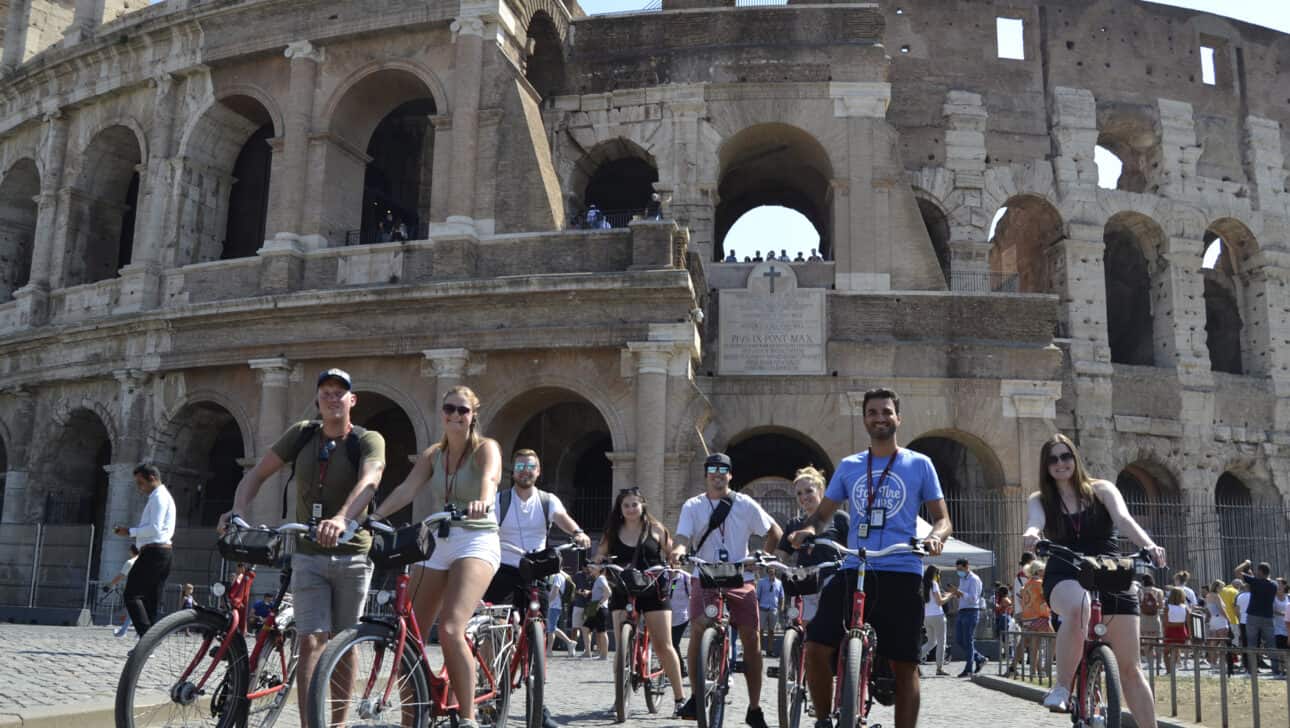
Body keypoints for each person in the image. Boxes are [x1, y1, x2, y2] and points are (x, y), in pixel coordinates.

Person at [220, 368, 386, 721]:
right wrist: (236, 511)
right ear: (316, 399)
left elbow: (371, 479)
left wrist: (342, 518)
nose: (332, 397)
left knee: (344, 643)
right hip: (308, 554)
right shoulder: (302, 435)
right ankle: (312, 722)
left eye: (340, 392)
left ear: (352, 400)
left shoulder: (368, 439)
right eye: (325, 391)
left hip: (352, 554)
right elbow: (258, 473)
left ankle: (337, 721)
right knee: (310, 640)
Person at [790, 388, 951, 728]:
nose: (880, 417)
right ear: (864, 419)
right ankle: (823, 720)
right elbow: (823, 516)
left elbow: (942, 518)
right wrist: (807, 531)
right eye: (873, 412)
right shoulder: (850, 466)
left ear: (898, 418)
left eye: (887, 412)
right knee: (816, 645)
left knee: (904, 663)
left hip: (902, 568)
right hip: (856, 567)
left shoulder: (920, 464)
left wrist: (936, 538)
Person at [366, 384, 500, 728]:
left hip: (476, 539)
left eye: (462, 410)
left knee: (453, 628)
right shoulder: (433, 455)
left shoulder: (487, 449)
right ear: (442, 413)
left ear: (473, 416)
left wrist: (482, 502)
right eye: (449, 408)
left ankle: (468, 718)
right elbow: (407, 490)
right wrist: (375, 517)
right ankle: (413, 720)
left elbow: (489, 479)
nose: (455, 415)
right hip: (438, 539)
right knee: (409, 636)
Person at [1021, 433, 1166, 723]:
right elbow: (1034, 523)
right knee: (1079, 606)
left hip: (1109, 570)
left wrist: (1148, 545)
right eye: (1053, 459)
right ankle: (1062, 687)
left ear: (1075, 458)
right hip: (1065, 572)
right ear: (1045, 466)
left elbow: (1124, 519)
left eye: (1065, 456)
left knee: (1131, 669)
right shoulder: (1040, 499)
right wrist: (1032, 535)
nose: (1060, 463)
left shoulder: (1102, 489)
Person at [671, 452, 783, 728]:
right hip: (705, 574)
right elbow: (683, 536)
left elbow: (774, 532)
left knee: (751, 639)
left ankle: (754, 708)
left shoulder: (745, 504)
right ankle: (696, 696)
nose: (717, 474)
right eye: (712, 469)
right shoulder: (692, 505)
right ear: (706, 474)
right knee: (698, 628)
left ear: (730, 475)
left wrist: (763, 558)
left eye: (723, 469)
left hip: (740, 575)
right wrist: (679, 550)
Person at [595, 486, 686, 714]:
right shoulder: (612, 531)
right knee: (621, 650)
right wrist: (597, 565)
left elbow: (671, 551)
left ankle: (679, 699)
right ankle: (619, 699)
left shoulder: (656, 528)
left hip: (653, 588)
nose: (630, 509)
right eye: (626, 505)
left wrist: (675, 562)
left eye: (634, 504)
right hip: (623, 589)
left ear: (642, 505)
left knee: (664, 645)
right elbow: (600, 554)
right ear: (620, 508)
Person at [777, 465, 849, 624]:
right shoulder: (794, 524)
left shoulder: (839, 518)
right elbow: (780, 556)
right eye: (799, 493)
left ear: (821, 490)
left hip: (833, 580)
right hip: (806, 583)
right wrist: (768, 562)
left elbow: (854, 549)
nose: (804, 497)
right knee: (805, 628)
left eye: (809, 491)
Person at [113, 463, 176, 637]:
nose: (139, 488)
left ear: (152, 478)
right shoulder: (162, 497)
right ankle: (150, 644)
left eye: (141, 483)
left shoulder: (159, 497)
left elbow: (154, 529)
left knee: (132, 595)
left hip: (154, 552)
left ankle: (145, 637)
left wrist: (129, 531)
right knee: (151, 600)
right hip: (163, 552)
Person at [1007, 560, 1052, 678]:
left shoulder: (1026, 584)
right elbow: (1047, 598)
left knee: (1032, 645)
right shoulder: (1040, 583)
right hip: (1039, 617)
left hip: (1027, 617)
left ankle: (1034, 671)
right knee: (1054, 639)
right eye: (1043, 569)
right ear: (1039, 571)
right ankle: (1044, 669)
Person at [1234, 559, 1277, 675]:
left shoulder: (1255, 582)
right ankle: (1276, 669)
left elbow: (1237, 571)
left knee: (1252, 644)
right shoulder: (1274, 585)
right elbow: (1264, 581)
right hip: (1268, 617)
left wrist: (1246, 563)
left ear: (1260, 572)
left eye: (1258, 571)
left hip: (1253, 617)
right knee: (1271, 644)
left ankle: (1252, 669)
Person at [946, 558, 987, 675]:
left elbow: (974, 598)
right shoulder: (962, 578)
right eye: (957, 569)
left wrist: (959, 592)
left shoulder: (974, 579)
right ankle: (979, 658)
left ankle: (969, 668)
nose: (959, 571)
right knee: (959, 640)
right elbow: (963, 596)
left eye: (960, 569)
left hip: (971, 611)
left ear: (967, 566)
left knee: (968, 641)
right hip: (962, 611)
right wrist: (955, 594)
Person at [919, 565, 953, 676]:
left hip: (927, 616)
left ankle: (915, 658)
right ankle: (939, 668)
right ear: (935, 574)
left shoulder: (923, 584)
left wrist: (945, 595)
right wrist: (950, 596)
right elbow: (939, 602)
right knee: (941, 642)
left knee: (931, 642)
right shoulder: (934, 584)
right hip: (938, 615)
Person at [104, 545, 140, 637]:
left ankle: (124, 631)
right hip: (145, 588)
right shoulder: (145, 562)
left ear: (131, 551)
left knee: (132, 610)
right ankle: (133, 632)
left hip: (133, 588)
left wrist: (110, 585)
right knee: (136, 611)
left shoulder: (130, 562)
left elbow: (121, 576)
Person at [756, 569, 784, 657]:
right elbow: (757, 596)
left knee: (771, 631)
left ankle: (770, 650)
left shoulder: (779, 583)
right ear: (767, 572)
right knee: (760, 630)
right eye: (770, 572)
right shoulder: (761, 582)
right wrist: (757, 607)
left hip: (773, 609)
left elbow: (782, 596)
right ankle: (759, 649)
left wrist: (781, 607)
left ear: (775, 572)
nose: (772, 573)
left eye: (773, 572)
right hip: (763, 608)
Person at [585, 563, 611, 659]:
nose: (590, 570)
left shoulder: (601, 578)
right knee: (585, 628)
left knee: (602, 631)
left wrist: (599, 604)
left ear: (598, 569)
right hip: (594, 606)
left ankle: (604, 655)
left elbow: (608, 592)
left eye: (592, 568)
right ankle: (588, 652)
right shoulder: (598, 579)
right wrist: (590, 593)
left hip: (599, 607)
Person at [668, 569, 691, 675]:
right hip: (667, 618)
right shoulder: (663, 576)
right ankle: (674, 669)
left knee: (673, 643)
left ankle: (681, 669)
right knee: (669, 644)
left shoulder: (685, 578)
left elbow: (694, 593)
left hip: (681, 617)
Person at [1163, 587, 1189, 673]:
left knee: (1166, 652)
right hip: (1182, 631)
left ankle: (1168, 670)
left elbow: (1166, 623)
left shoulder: (1167, 608)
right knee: (1175, 650)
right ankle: (1173, 668)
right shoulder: (1185, 608)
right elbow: (1188, 623)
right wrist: (1189, 634)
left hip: (1170, 631)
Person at [570, 564, 594, 657]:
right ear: (583, 568)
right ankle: (572, 648)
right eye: (586, 567)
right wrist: (578, 592)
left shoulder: (594, 575)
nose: (588, 569)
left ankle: (587, 649)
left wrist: (589, 592)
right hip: (578, 603)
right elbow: (572, 587)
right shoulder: (578, 575)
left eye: (589, 567)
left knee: (589, 628)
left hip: (591, 604)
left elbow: (598, 590)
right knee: (575, 627)